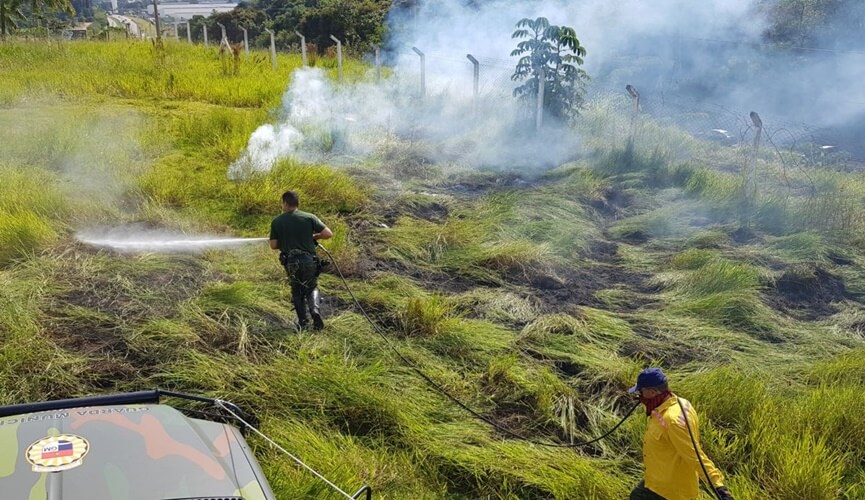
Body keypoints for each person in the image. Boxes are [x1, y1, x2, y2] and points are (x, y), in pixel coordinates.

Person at [629, 368, 733, 500]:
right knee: (637, 496)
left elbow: (694, 454)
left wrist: (719, 486)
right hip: (655, 481)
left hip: (670, 492)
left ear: (653, 392)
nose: (640, 395)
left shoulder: (672, 421)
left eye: (641, 391)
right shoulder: (679, 403)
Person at [269, 191, 333, 330]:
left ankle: (302, 322)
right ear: (297, 203)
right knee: (311, 287)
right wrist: (314, 237)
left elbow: (273, 245)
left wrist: (286, 242)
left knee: (296, 290)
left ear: (285, 203)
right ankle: (315, 311)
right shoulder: (309, 217)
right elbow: (328, 234)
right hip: (309, 260)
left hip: (291, 262)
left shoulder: (277, 221)